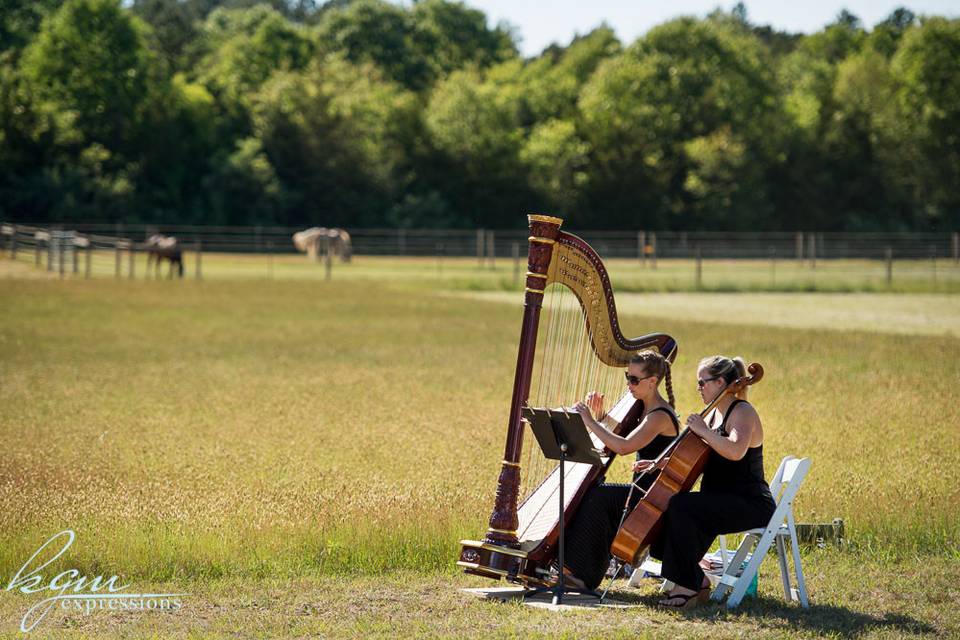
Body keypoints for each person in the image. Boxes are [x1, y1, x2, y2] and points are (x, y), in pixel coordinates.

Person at [637, 355, 777, 609]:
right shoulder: (713, 416)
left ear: (721, 382)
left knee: (682, 506)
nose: (699, 388)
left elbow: (735, 451)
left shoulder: (742, 412)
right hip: (719, 500)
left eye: (703, 383)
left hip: (750, 503)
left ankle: (687, 587)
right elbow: (693, 457)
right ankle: (696, 580)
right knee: (668, 510)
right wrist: (659, 464)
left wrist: (703, 430)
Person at [559, 349, 680, 592]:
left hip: (651, 498)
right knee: (593, 492)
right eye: (628, 377)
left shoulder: (659, 416)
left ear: (652, 382)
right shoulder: (643, 407)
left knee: (597, 497)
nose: (629, 384)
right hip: (641, 492)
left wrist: (589, 421)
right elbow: (621, 434)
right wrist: (601, 414)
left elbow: (623, 447)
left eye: (634, 380)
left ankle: (583, 575)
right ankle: (574, 569)